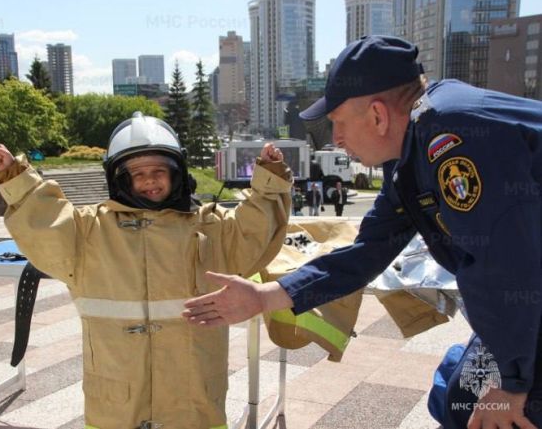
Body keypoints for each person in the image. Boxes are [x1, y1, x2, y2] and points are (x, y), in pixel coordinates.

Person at [183, 36, 542, 429]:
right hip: (526, 307)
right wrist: (263, 297)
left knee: (489, 414)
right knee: (458, 400)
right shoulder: (411, 154)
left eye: (337, 122)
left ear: (377, 115)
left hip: (527, 299)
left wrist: (513, 382)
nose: (336, 138)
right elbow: (366, 253)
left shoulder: (452, 135)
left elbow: (505, 261)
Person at [0, 112, 292, 429]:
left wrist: (269, 178)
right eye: (138, 173)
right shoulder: (90, 231)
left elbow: (252, 232)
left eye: (159, 171)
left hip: (192, 404)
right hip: (117, 407)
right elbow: (47, 224)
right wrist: (16, 176)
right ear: (119, 179)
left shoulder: (208, 228)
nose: (150, 180)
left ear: (177, 174)